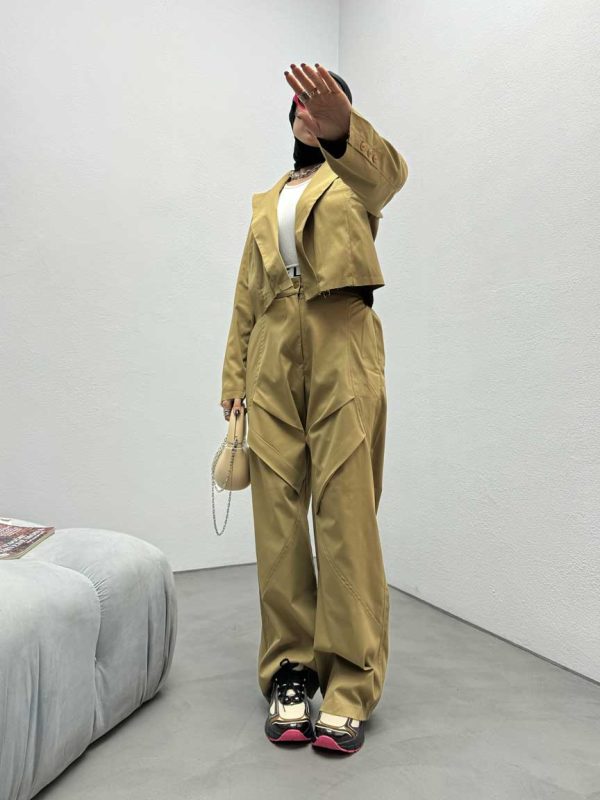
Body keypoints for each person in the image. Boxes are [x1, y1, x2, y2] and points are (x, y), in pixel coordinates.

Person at [220, 62, 408, 754]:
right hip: (272, 354)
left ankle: (352, 683)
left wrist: (343, 132)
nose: (307, 106)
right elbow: (247, 293)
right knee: (277, 520)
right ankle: (291, 672)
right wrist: (234, 378)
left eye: (322, 101)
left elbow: (389, 178)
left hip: (341, 343)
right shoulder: (268, 199)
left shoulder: (355, 178)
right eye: (300, 101)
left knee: (344, 513)